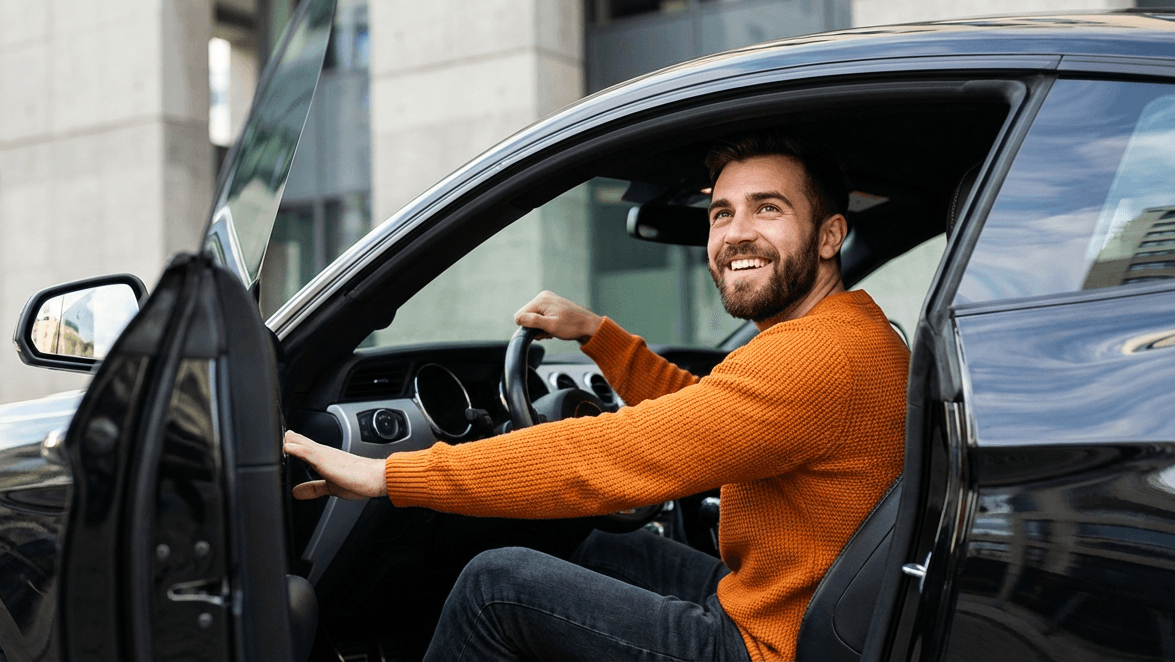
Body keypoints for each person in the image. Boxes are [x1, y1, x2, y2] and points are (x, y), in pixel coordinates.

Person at [283, 133, 908, 661]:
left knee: (495, 584)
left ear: (829, 236)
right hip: (798, 607)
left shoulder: (818, 358)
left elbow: (607, 456)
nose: (735, 234)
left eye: (766, 209)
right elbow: (705, 414)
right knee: (598, 545)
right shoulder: (847, 336)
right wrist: (596, 336)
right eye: (721, 214)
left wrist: (389, 473)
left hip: (768, 646)